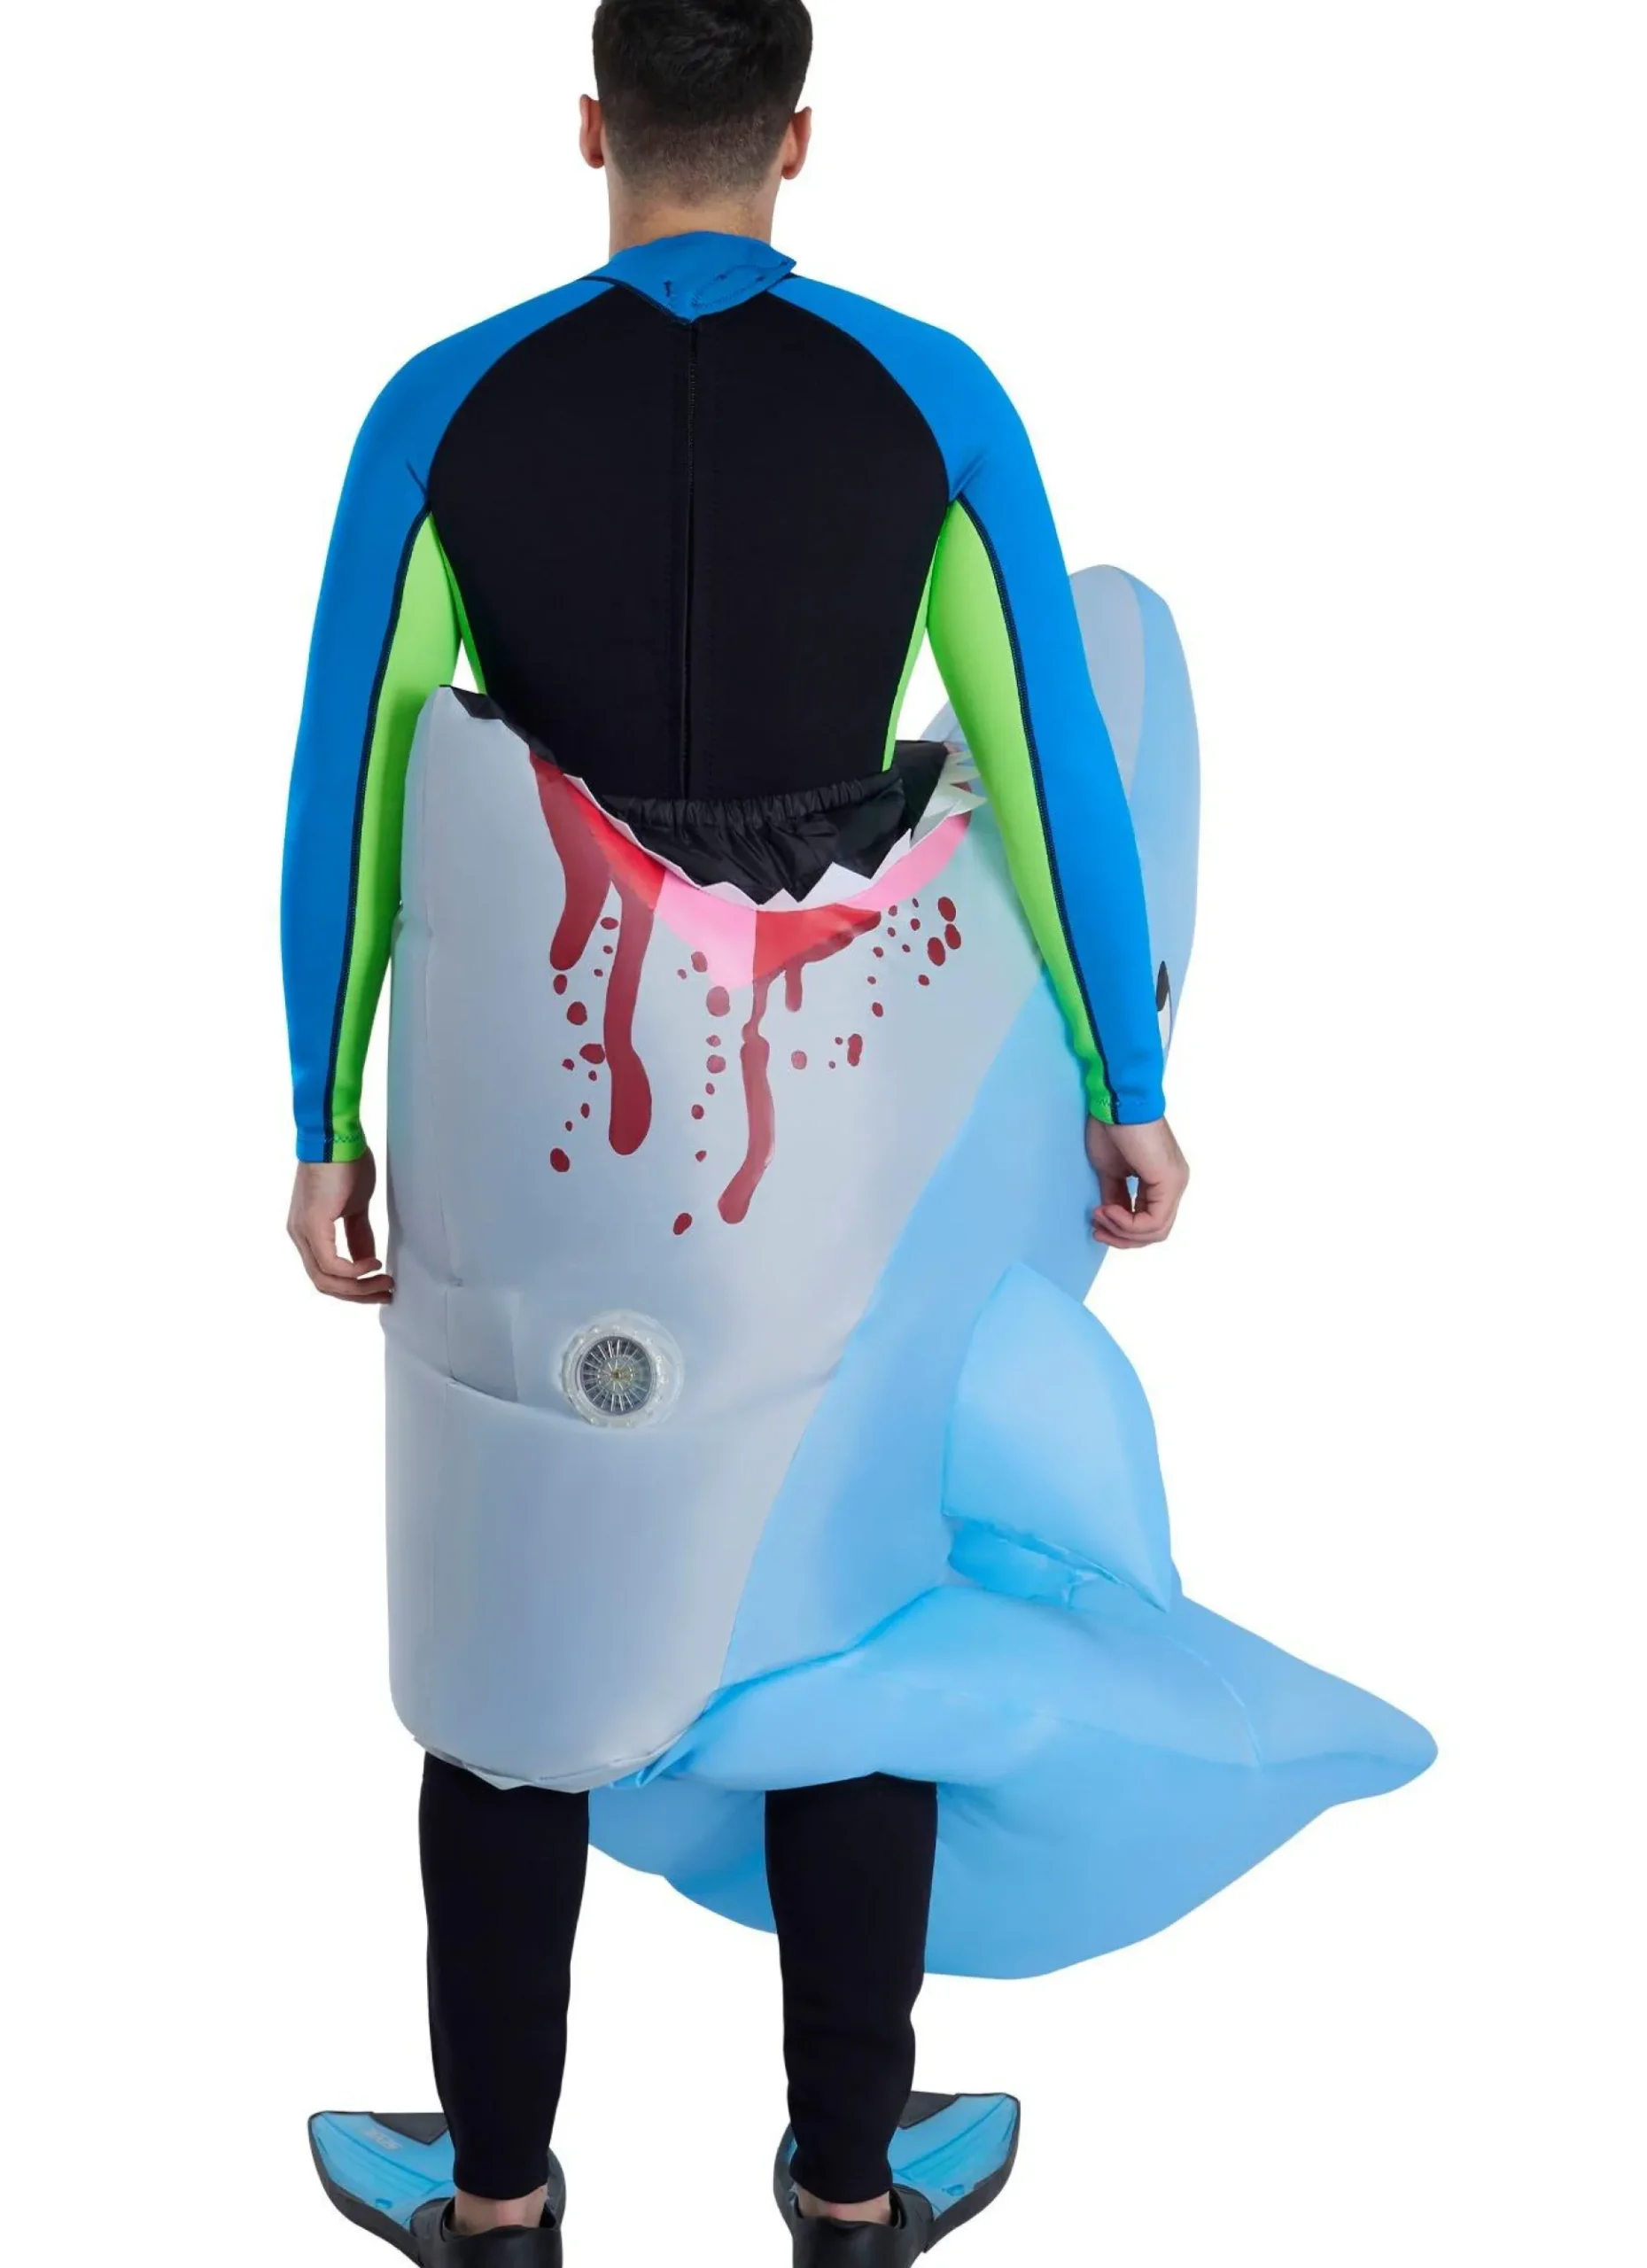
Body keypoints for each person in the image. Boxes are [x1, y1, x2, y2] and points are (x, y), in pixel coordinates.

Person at [282, 4, 1188, 2260]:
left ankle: (495, 2192)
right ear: (797, 141)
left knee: (504, 1625)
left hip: (535, 1071)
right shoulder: (928, 396)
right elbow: (1045, 756)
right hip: (821, 1086)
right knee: (845, 1599)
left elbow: (355, 785)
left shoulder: (443, 405)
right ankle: (849, 2183)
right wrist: (1125, 1081)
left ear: (591, 124)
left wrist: (320, 1111)